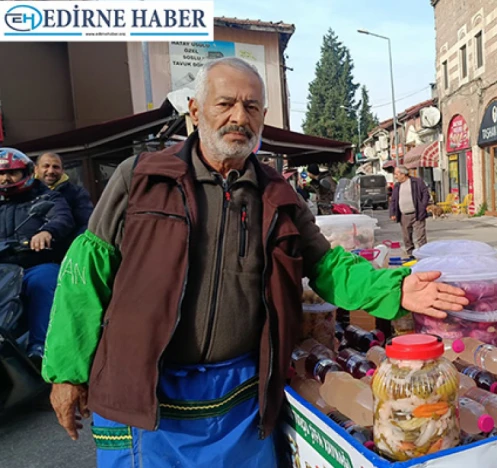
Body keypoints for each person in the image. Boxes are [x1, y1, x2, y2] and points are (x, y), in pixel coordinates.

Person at [41, 57, 468, 468]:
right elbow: (85, 275)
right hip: (145, 393)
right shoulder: (140, 178)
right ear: (195, 110)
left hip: (237, 397)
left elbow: (326, 266)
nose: (238, 117)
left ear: (262, 116)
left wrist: (394, 288)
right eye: (224, 103)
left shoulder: (278, 196)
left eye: (250, 107)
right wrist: (66, 373)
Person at [0, 148, 74, 361]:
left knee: (43, 283)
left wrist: (46, 231)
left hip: (34, 265)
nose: (5, 178)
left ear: (26, 173)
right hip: (4, 268)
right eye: (1, 173)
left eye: (12, 173)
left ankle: (40, 346)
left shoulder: (44, 196)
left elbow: (62, 217)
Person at [35, 152, 94, 240]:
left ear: (62, 170)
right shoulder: (26, 192)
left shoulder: (77, 193)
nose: (51, 171)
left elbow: (86, 224)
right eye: (46, 166)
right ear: (36, 169)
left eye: (56, 167)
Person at [390, 166, 430, 257]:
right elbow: (393, 200)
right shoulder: (397, 186)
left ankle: (424, 255)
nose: (395, 176)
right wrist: (392, 213)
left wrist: (422, 206)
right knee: (407, 237)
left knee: (421, 236)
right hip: (403, 215)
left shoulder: (417, 182)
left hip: (417, 213)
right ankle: (410, 254)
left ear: (403, 174)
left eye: (396, 174)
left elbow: (425, 194)